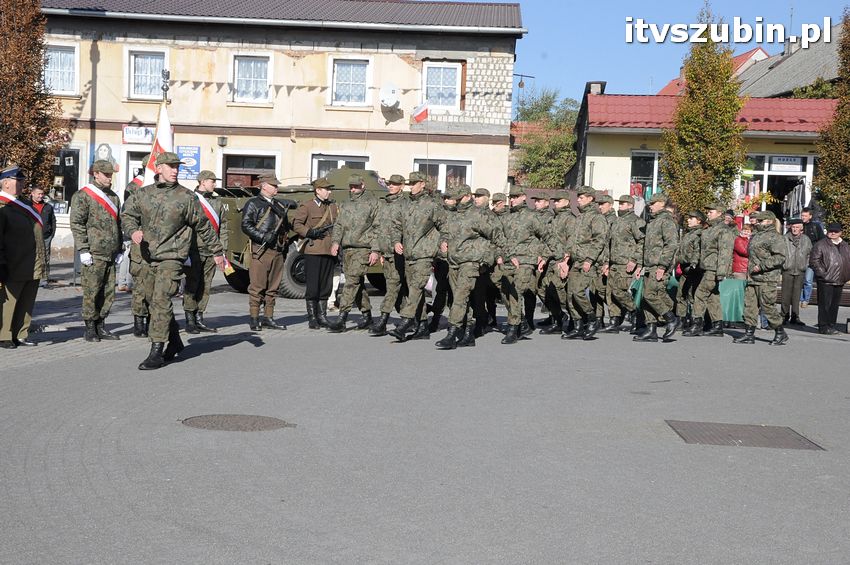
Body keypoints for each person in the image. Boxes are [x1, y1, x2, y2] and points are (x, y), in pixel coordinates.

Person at [121, 152, 226, 370]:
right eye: (170, 166)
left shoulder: (186, 197)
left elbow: (203, 226)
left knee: (160, 300)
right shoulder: (143, 194)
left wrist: (217, 252)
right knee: (152, 301)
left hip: (173, 257)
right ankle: (176, 340)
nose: (175, 170)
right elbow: (127, 215)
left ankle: (156, 350)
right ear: (159, 168)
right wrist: (133, 231)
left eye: (177, 166)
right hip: (147, 256)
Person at [434, 184, 504, 349]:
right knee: (463, 299)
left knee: (459, 297)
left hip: (470, 263)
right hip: (453, 262)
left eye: (457, 198)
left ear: (467, 196)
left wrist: (493, 258)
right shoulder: (453, 216)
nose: (455, 201)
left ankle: (451, 334)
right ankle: (468, 333)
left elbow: (497, 237)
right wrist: (442, 243)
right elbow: (445, 233)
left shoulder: (479, 215)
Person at [70, 159, 124, 342]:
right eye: (106, 174)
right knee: (92, 291)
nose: (110, 178)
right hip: (93, 252)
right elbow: (77, 224)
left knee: (109, 292)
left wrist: (120, 248)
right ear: (96, 174)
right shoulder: (83, 196)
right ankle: (90, 327)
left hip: (110, 252)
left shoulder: (114, 197)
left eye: (111, 174)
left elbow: (118, 224)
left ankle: (101, 325)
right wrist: (83, 249)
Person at [387, 172, 445, 341]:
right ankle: (423, 326)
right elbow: (396, 225)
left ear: (422, 184)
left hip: (424, 254)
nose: (410, 186)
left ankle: (405, 322)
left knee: (416, 288)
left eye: (413, 183)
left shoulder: (432, 204)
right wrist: (396, 240)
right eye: (409, 184)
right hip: (409, 254)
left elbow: (444, 226)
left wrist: (442, 243)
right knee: (415, 291)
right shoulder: (405, 204)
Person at [497, 186, 549, 344]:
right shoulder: (506, 217)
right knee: (503, 290)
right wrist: (500, 255)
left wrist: (544, 256)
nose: (512, 200)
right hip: (508, 260)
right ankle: (522, 321)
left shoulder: (532, 217)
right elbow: (499, 238)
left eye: (515, 196)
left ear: (523, 197)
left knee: (515, 291)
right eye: (510, 197)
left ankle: (513, 329)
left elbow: (548, 236)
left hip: (526, 260)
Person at [0, 165, 45, 349]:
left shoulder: (24, 204)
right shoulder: (3, 206)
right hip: (13, 261)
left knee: (27, 300)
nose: (22, 183)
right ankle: (4, 335)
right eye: (18, 180)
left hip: (31, 261)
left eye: (22, 180)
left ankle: (21, 333)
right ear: (5, 183)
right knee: (10, 300)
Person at [328, 174, 379, 332]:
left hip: (363, 248)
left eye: (356, 186)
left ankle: (342, 318)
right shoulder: (346, 204)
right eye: (351, 186)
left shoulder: (373, 203)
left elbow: (378, 228)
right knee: (357, 283)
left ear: (363, 185)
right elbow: (339, 224)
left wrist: (375, 250)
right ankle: (367, 315)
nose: (353, 189)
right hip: (347, 248)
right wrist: (335, 242)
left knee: (351, 283)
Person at [241, 174, 290, 331]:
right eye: (273, 185)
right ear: (263, 185)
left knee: (273, 287)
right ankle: (254, 317)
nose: (276, 187)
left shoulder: (279, 205)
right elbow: (246, 225)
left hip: (277, 249)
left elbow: (286, 227)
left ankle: (269, 317)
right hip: (261, 249)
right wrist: (262, 236)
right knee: (257, 286)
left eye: (276, 185)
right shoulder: (253, 204)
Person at [183, 170, 228, 333]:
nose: (215, 184)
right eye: (212, 181)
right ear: (202, 181)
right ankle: (189, 318)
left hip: (212, 250)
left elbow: (223, 226)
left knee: (206, 285)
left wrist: (222, 248)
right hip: (194, 249)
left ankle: (199, 317)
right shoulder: (190, 199)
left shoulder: (217, 201)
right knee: (192, 284)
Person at [733, 210, 788, 345]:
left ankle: (780, 332)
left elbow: (780, 257)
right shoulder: (756, 235)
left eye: (760, 220)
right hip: (753, 278)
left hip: (767, 278)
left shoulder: (775, 237)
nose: (757, 222)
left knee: (767, 307)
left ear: (769, 221)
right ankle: (749, 334)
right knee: (749, 307)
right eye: (757, 220)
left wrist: (762, 266)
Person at [563, 186, 608, 340]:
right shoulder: (580, 217)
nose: (578, 200)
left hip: (587, 262)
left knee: (578, 292)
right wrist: (566, 258)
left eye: (581, 197)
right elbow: (572, 240)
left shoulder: (596, 217)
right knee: (570, 295)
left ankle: (592, 319)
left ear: (590, 198)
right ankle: (577, 325)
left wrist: (589, 260)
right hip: (575, 261)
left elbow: (599, 241)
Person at [633, 193, 680, 342]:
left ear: (661, 203)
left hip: (659, 265)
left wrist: (662, 265)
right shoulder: (653, 222)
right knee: (646, 298)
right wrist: (640, 265)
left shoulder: (666, 221)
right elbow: (646, 247)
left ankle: (671, 318)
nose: (650, 206)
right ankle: (651, 329)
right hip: (649, 265)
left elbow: (671, 245)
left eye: (653, 204)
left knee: (650, 295)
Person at [293, 177, 338, 329]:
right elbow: (297, 225)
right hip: (313, 250)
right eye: (326, 189)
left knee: (326, 285)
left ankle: (323, 316)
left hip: (329, 250)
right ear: (318, 190)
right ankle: (312, 317)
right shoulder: (307, 206)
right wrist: (310, 232)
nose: (329, 192)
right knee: (313, 286)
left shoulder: (332, 207)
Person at [684, 203, 734, 337]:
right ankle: (717, 325)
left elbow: (725, 252)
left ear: (719, 213)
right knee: (712, 296)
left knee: (700, 294)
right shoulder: (710, 229)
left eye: (711, 211)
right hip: (706, 267)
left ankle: (696, 324)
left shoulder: (724, 230)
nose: (708, 213)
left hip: (714, 268)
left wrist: (722, 272)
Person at [368, 173, 408, 336]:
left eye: (395, 184)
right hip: (387, 252)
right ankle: (415, 318)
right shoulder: (383, 204)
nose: (391, 186)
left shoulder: (406, 204)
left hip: (401, 253)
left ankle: (384, 320)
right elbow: (377, 229)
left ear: (402, 187)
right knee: (397, 287)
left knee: (394, 286)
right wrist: (377, 250)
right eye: (389, 184)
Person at [603, 195, 646, 333]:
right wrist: (606, 262)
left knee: (619, 291)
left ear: (630, 205)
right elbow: (609, 243)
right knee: (610, 293)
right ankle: (614, 320)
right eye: (619, 203)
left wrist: (635, 260)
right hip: (614, 262)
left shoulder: (636, 221)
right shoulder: (616, 221)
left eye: (622, 203)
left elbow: (642, 242)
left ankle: (635, 313)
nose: (620, 206)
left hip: (625, 263)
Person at [538, 190, 575, 335]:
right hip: (551, 260)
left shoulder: (569, 219)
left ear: (566, 202)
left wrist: (566, 260)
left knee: (561, 293)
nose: (556, 203)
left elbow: (572, 241)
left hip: (562, 261)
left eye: (559, 200)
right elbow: (550, 241)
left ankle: (576, 319)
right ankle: (558, 319)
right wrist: (544, 257)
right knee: (545, 289)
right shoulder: (554, 218)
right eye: (555, 201)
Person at [124, 155, 152, 337]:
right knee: (140, 285)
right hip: (140, 243)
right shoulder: (134, 187)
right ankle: (138, 321)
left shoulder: (161, 188)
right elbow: (127, 215)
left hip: (159, 245)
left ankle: (152, 320)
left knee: (155, 286)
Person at [808, 222, 850, 335]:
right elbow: (814, 261)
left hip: (840, 279)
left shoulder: (845, 245)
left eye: (835, 231)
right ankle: (823, 326)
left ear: (840, 232)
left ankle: (831, 325)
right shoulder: (821, 244)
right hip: (826, 280)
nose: (833, 233)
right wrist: (823, 274)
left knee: (834, 305)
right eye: (831, 230)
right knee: (825, 304)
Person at [674, 211, 704, 332]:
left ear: (699, 220)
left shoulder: (699, 234)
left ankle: (695, 321)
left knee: (693, 296)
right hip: (684, 269)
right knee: (681, 295)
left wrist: (693, 264)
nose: (688, 220)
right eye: (689, 218)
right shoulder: (688, 234)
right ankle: (681, 320)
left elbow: (698, 251)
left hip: (694, 269)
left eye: (692, 218)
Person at [781, 218, 812, 326]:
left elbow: (809, 254)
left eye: (797, 227)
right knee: (785, 295)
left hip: (800, 269)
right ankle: (784, 316)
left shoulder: (806, 240)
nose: (794, 229)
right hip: (787, 269)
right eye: (793, 227)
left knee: (796, 295)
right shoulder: (784, 238)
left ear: (801, 229)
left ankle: (795, 316)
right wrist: (784, 264)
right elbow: (780, 253)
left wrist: (805, 265)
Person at [591, 193, 616, 325]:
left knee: (605, 291)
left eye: (603, 204)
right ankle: (598, 318)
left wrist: (607, 262)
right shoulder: (599, 219)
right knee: (594, 290)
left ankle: (616, 316)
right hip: (597, 259)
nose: (600, 207)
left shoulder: (613, 221)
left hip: (606, 260)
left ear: (610, 205)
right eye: (598, 204)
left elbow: (611, 244)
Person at [30, 187, 55, 286]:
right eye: (38, 194)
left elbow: (53, 221)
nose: (41, 196)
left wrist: (51, 234)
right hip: (31, 236)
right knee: (32, 257)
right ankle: (31, 278)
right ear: (32, 193)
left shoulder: (48, 206)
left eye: (42, 194)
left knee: (45, 257)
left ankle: (44, 280)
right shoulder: (27, 206)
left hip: (46, 236)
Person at [800, 207, 825, 308]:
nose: (803, 218)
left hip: (811, 256)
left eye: (805, 216)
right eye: (802, 215)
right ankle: (800, 298)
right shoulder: (798, 225)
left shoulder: (816, 226)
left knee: (808, 280)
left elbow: (822, 241)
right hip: (800, 256)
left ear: (810, 216)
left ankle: (805, 299)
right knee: (800, 279)